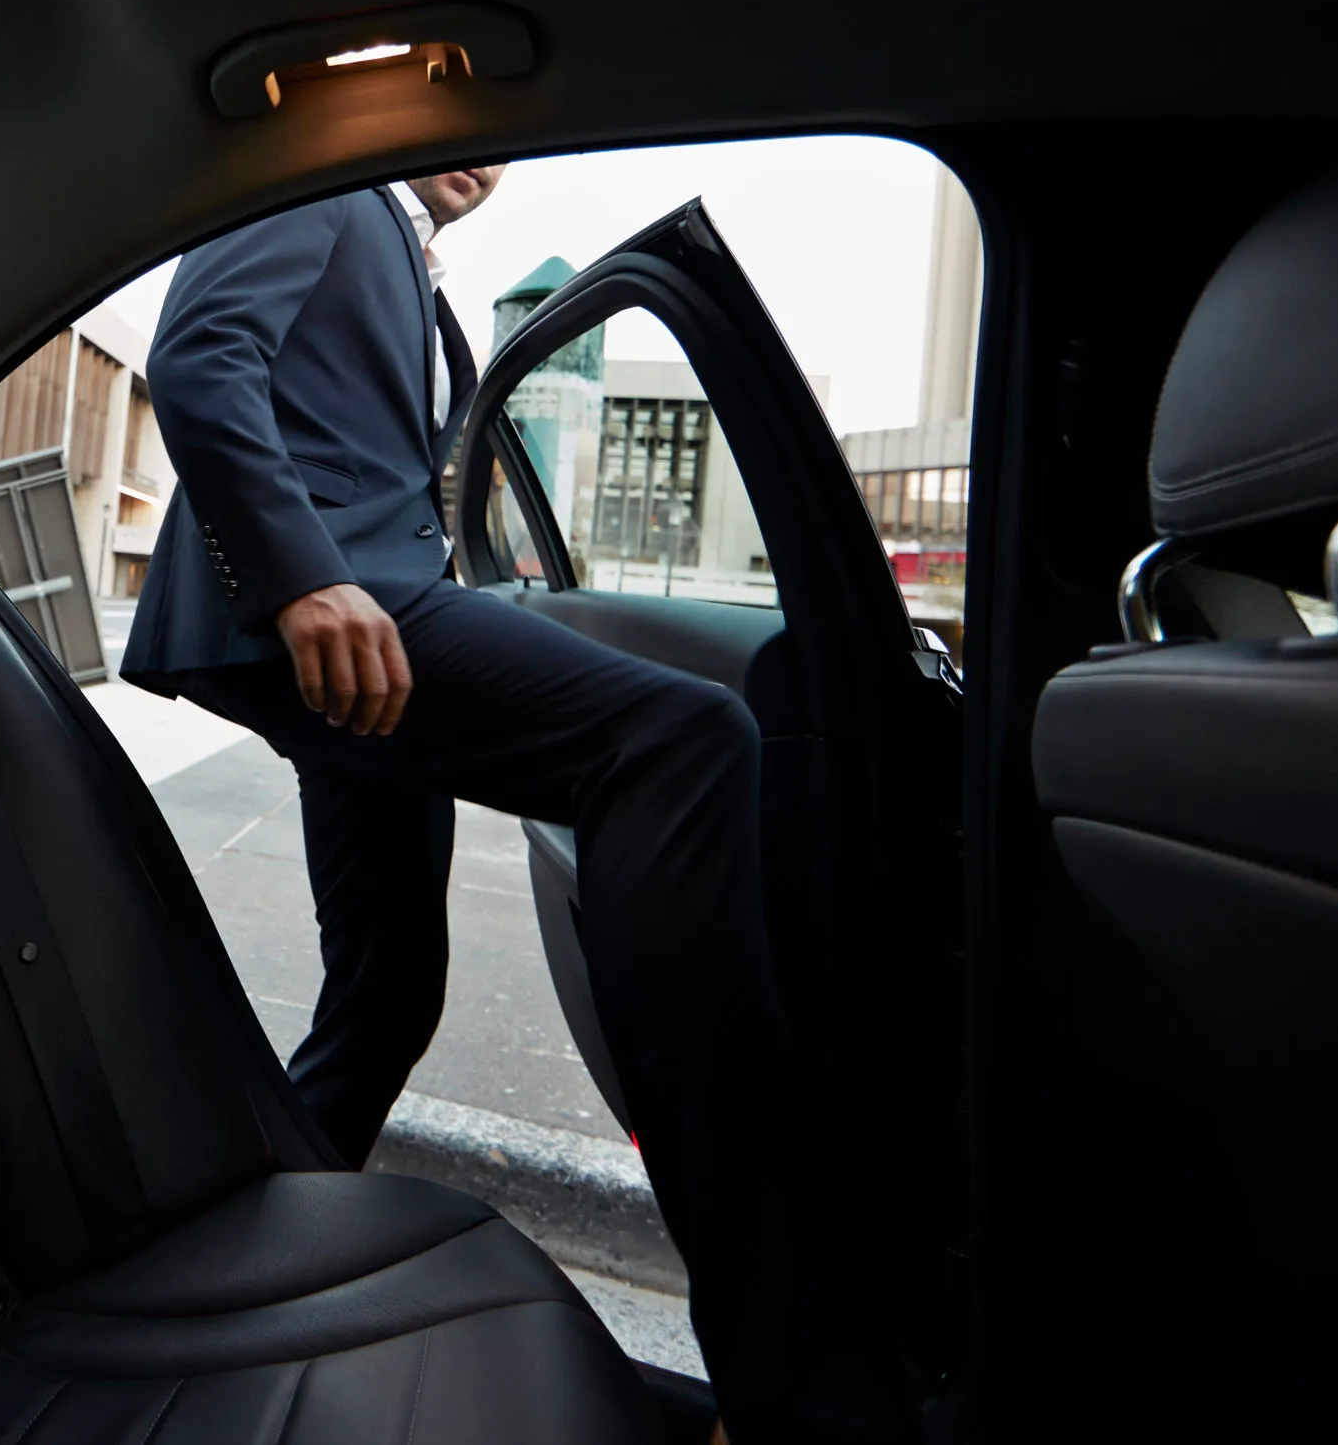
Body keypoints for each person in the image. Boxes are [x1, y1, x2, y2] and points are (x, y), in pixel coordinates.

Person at [121, 170, 908, 1443]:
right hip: (324, 615)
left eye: (499, 158)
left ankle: (236, 1255)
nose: (479, 166)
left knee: (386, 996)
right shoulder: (323, 187)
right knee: (680, 735)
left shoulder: (423, 288)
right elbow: (199, 355)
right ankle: (793, 1383)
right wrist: (298, 579)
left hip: (368, 619)